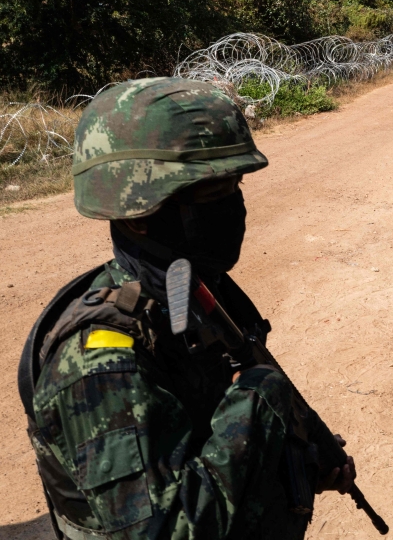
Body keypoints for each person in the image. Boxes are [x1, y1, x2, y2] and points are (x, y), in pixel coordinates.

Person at [18, 78, 356, 540]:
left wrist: (297, 457)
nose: (235, 207)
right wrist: (263, 399)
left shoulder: (194, 291)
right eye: (215, 194)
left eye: (235, 186)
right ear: (139, 211)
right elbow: (165, 530)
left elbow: (213, 433)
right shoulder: (100, 361)